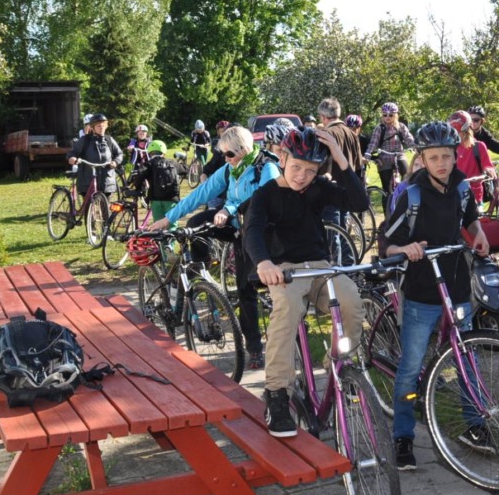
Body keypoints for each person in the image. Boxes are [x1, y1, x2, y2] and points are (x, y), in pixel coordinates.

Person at [243, 127, 369, 437]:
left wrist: (339, 157)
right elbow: (253, 231)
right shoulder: (265, 194)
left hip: (320, 267)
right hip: (284, 269)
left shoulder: (318, 188)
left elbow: (358, 201)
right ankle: (277, 395)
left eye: (310, 170)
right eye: (296, 167)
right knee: (286, 313)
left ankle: (338, 366)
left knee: (353, 304)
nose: (301, 176)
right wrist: (263, 262)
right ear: (282, 158)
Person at [383, 121, 491, 469]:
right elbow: (387, 244)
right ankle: (403, 435)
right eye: (433, 157)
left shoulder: (461, 186)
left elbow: (471, 218)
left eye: (447, 156)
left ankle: (474, 425)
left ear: (456, 155)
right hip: (422, 291)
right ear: (422, 159)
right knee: (411, 366)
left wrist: (478, 234)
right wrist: (406, 248)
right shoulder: (411, 194)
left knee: (465, 357)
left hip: (457, 284)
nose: (442, 163)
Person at [149, 126, 277, 370]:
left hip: (261, 232)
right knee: (196, 223)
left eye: (229, 155)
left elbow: (263, 201)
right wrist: (166, 219)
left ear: (244, 150)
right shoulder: (231, 169)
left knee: (247, 287)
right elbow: (200, 194)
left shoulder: (266, 167)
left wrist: (229, 208)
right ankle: (202, 271)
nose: (226, 160)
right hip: (237, 225)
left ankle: (257, 348)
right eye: (223, 156)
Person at [316, 98, 364, 232]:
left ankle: (339, 254)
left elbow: (321, 163)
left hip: (332, 189)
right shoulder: (351, 133)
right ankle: (349, 254)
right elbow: (358, 163)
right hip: (348, 187)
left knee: (333, 233)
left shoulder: (326, 134)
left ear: (323, 117)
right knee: (344, 233)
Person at [364, 103, 415, 212]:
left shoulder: (401, 126)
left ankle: (405, 199)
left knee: (408, 176)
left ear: (396, 115)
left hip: (399, 155)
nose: (387, 117)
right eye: (385, 115)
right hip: (385, 158)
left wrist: (416, 148)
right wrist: (368, 154)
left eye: (390, 115)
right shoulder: (379, 128)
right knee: (386, 190)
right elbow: (373, 143)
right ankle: (387, 216)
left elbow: (409, 139)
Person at [67, 113, 122, 204]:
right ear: (92, 127)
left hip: (106, 180)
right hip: (87, 179)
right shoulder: (85, 140)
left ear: (106, 126)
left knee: (106, 208)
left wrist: (115, 162)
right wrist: (72, 158)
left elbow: (119, 154)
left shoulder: (109, 140)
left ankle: (105, 218)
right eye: (98, 126)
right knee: (88, 206)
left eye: (103, 125)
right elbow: (72, 153)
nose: (101, 128)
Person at [448, 110, 495, 205]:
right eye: (453, 133)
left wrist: (488, 170)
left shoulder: (479, 146)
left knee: (475, 218)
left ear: (467, 130)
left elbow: (487, 165)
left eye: (459, 133)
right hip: (454, 195)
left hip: (475, 195)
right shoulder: (449, 149)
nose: (456, 137)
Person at [126, 140, 179, 222]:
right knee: (172, 224)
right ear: (164, 153)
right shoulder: (173, 163)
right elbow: (185, 170)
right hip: (172, 199)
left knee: (158, 224)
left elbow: (140, 174)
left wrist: (138, 187)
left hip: (156, 199)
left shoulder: (149, 164)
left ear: (150, 153)